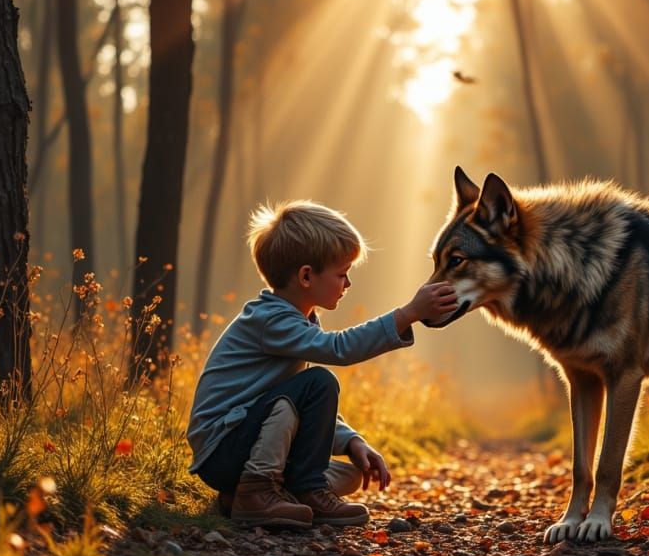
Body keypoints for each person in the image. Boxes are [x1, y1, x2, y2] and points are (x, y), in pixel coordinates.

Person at [187, 200, 458, 529]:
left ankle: (252, 495)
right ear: (305, 276)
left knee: (350, 476)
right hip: (223, 451)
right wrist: (408, 314)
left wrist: (352, 441)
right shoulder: (270, 320)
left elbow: (300, 407)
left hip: (245, 445)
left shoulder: (297, 321)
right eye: (342, 274)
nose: (348, 284)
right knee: (319, 382)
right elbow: (338, 349)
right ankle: (261, 490)